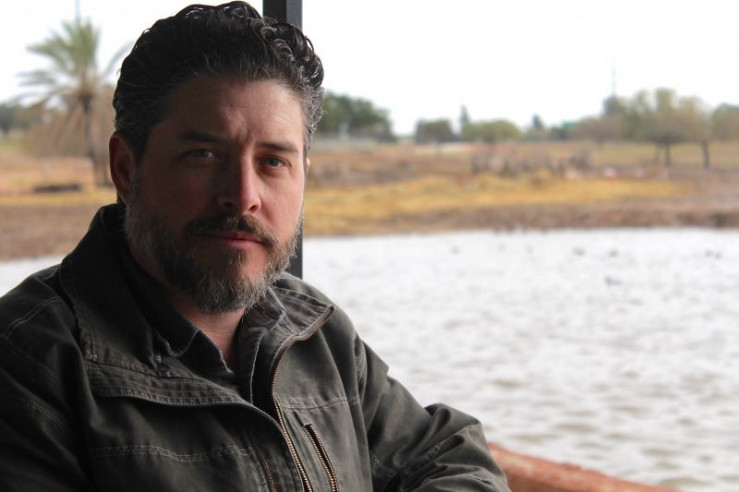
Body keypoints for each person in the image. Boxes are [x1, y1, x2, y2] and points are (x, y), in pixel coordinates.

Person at [0, 3, 509, 490]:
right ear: (126, 169)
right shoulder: (31, 362)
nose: (243, 195)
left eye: (273, 162)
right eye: (204, 154)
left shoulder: (317, 334)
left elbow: (451, 455)